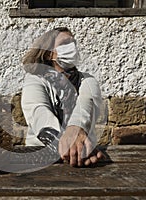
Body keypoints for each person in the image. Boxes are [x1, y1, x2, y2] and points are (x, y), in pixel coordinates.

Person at [21, 27, 105, 167]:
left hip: (80, 153)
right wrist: (64, 143)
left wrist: (76, 129)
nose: (72, 47)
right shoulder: (35, 79)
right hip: (40, 155)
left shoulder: (87, 80)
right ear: (49, 54)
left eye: (73, 43)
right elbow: (38, 112)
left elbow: (86, 104)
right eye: (65, 43)